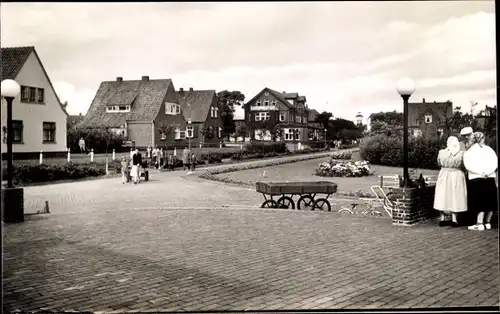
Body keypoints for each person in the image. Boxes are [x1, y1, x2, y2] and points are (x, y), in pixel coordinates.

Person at [464, 132, 498, 231]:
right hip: (489, 177)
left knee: (479, 201)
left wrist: (480, 172)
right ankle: (487, 222)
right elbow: (495, 162)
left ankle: (479, 223)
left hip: (476, 178)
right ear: (483, 138)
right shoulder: (489, 150)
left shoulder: (469, 151)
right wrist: (488, 172)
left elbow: (468, 165)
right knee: (490, 200)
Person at [433, 136, 468, 227]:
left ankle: (442, 218)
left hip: (444, 174)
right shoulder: (461, 153)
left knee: (443, 195)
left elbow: (439, 163)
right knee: (455, 195)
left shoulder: (441, 152)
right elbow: (464, 165)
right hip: (457, 174)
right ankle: (454, 219)